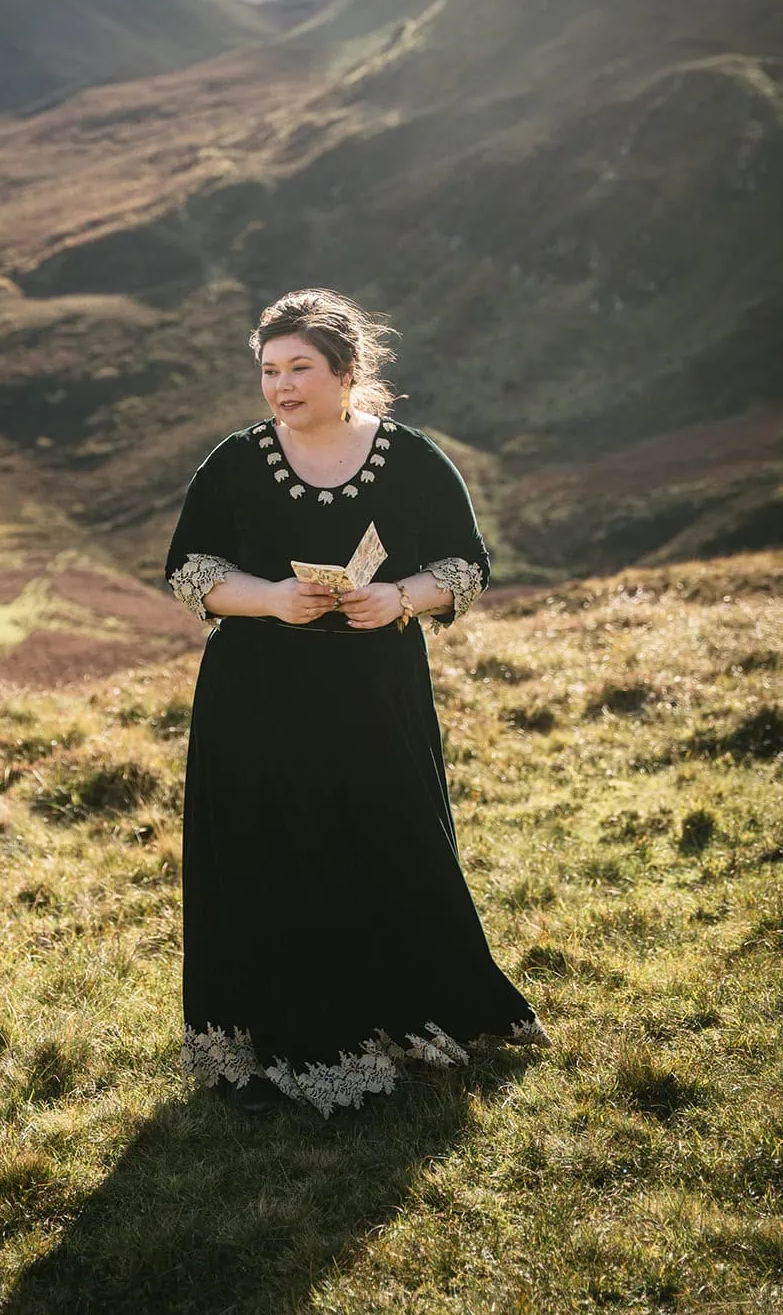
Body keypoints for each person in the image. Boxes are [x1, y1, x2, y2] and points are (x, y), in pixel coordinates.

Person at [164, 289, 549, 1117]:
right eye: (269, 370)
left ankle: (401, 1017)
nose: (281, 386)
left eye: (299, 367)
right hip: (255, 699)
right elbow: (191, 571)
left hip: (375, 694)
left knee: (389, 838)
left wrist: (402, 596)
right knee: (272, 857)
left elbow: (465, 565)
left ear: (346, 371)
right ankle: (281, 1034)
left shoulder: (412, 459)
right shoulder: (234, 462)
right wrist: (268, 598)